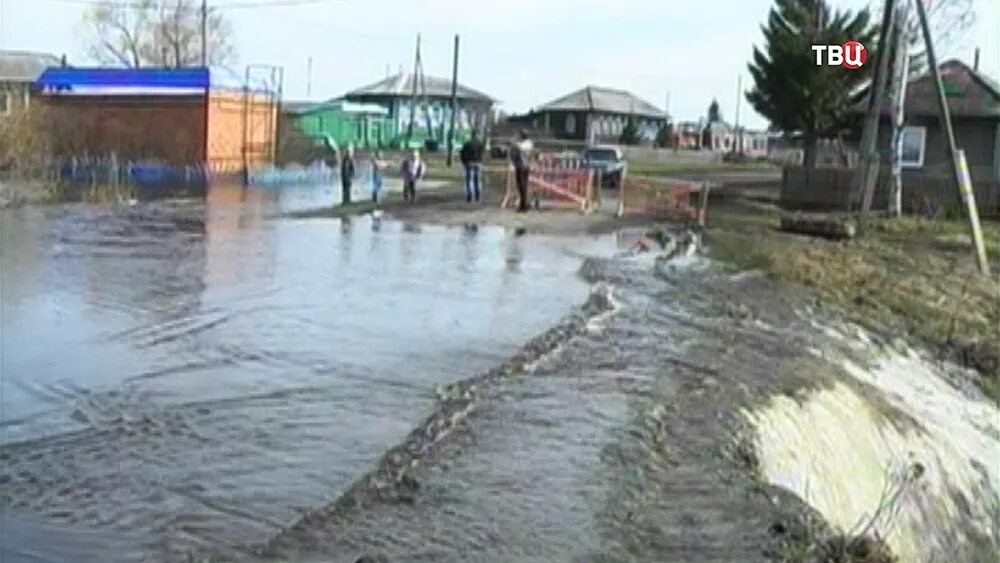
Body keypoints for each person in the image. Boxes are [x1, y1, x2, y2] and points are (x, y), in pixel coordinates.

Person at [509, 129, 533, 212]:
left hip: (523, 166)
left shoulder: (527, 144)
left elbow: (520, 147)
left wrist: (514, 142)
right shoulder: (525, 143)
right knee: (521, 186)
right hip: (521, 166)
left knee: (523, 186)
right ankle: (522, 204)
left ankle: (524, 205)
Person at [459, 130, 485, 202]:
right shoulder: (480, 144)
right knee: (477, 180)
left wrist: (464, 162)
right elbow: (482, 153)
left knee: (468, 180)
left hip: (469, 163)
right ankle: (477, 196)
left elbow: (462, 154)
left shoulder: (467, 143)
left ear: (471, 135)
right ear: (477, 135)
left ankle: (469, 196)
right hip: (478, 163)